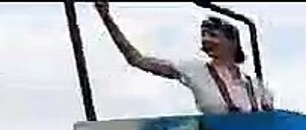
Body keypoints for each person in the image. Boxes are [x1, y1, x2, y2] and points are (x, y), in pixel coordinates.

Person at [95, 1, 273, 114]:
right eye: (203, 35)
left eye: (212, 34)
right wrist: (107, 19)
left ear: (232, 41)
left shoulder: (256, 87)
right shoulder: (196, 71)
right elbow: (137, 60)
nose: (206, 40)